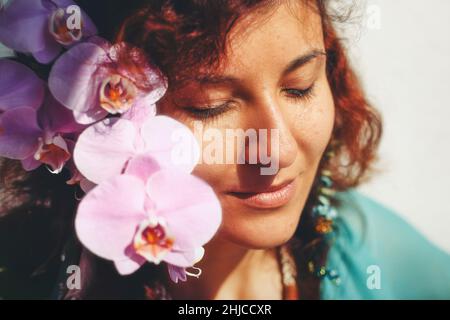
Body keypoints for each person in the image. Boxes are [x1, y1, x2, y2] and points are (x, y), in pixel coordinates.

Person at [0, 0, 449, 300]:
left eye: (300, 88)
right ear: (97, 125)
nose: (276, 151)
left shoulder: (373, 252)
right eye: (210, 108)